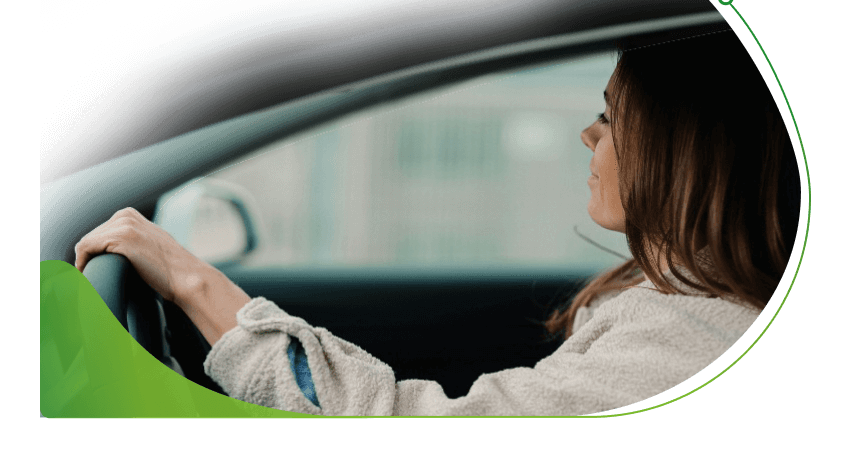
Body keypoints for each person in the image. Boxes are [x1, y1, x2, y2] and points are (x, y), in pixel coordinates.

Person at [74, 28, 801, 416]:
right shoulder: (687, 311)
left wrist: (195, 283)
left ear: (685, 151)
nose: (589, 136)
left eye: (611, 116)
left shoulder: (688, 343)